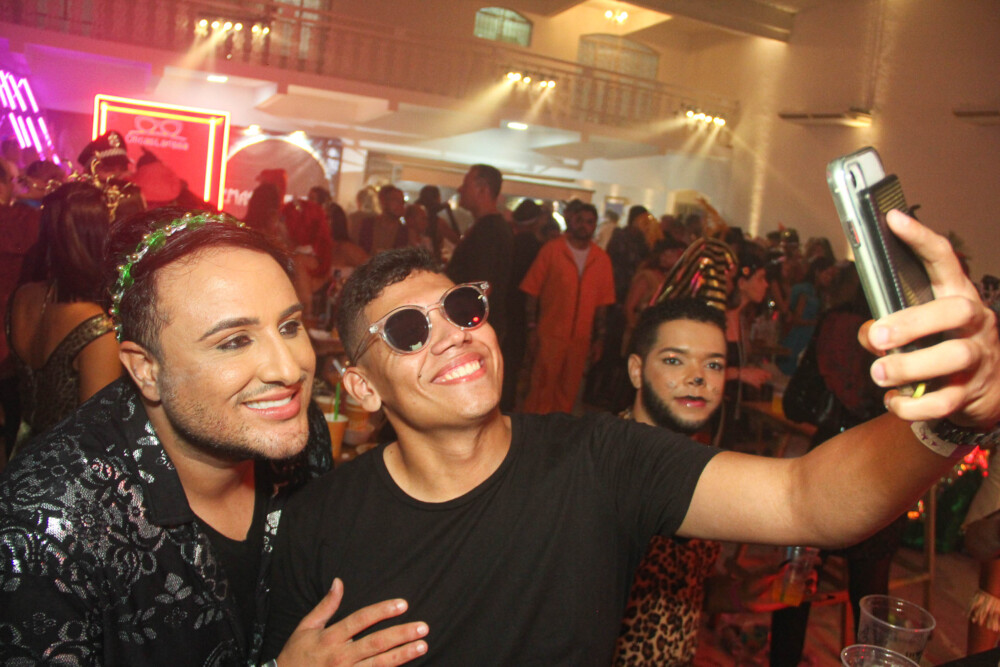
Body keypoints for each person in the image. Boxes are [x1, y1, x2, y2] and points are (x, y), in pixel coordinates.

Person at [262, 209, 1000, 665]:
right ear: (361, 386)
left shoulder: (599, 459)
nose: (454, 335)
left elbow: (807, 499)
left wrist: (951, 414)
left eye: (461, 308)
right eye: (408, 330)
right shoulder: (317, 525)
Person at [0, 208, 430, 665]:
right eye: (234, 341)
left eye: (289, 327)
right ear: (145, 370)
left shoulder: (299, 438)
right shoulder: (46, 528)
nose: (289, 370)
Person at [614, 298, 728, 666]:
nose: (698, 377)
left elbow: (689, 590)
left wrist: (755, 590)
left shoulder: (707, 470)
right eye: (674, 360)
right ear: (637, 371)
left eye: (713, 365)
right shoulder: (607, 466)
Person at [6, 182, 121, 443]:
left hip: (21, 452)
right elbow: (95, 432)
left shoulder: (23, 297)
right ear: (98, 234)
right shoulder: (96, 328)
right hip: (63, 462)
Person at [520, 200, 615, 414]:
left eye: (589, 222)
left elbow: (603, 304)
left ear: (595, 225)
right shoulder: (552, 250)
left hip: (580, 340)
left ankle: (558, 431)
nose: (584, 226)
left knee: (568, 392)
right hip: (550, 334)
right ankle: (532, 429)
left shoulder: (601, 259)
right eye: (579, 220)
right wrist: (531, 328)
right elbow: (532, 290)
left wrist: (599, 338)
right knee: (540, 388)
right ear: (571, 220)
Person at [447, 164, 513, 345]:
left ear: (483, 189)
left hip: (473, 330)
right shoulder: (489, 227)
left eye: (465, 185)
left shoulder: (489, 230)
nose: (460, 189)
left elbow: (483, 286)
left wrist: (460, 324)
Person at [358, 184, 409, 255]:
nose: (400, 205)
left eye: (402, 202)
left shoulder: (403, 232)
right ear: (383, 201)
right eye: (396, 200)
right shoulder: (367, 224)